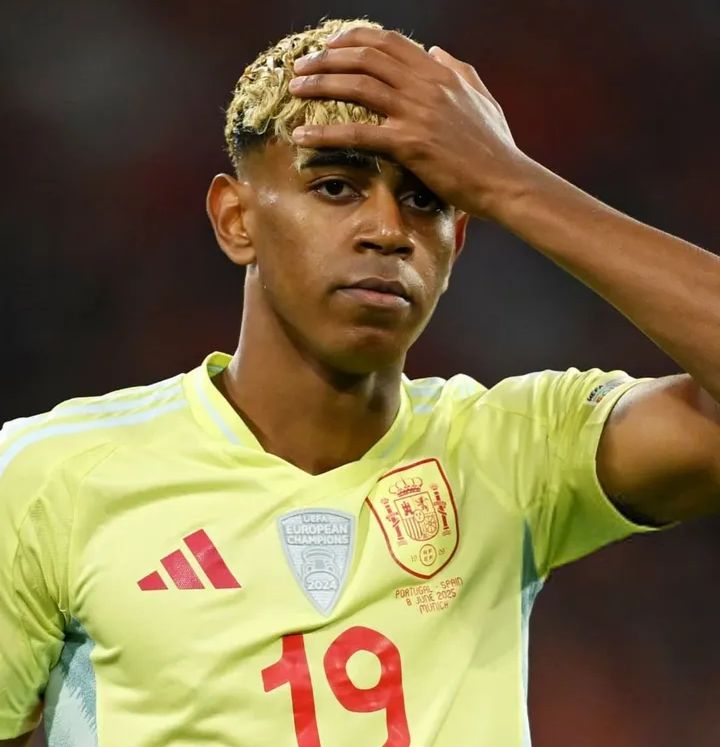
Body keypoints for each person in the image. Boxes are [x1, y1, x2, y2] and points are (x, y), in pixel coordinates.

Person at [1, 16, 718, 747]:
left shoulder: (516, 449)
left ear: (457, 239)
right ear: (236, 219)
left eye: (426, 198)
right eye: (337, 186)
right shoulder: (54, 476)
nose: (387, 230)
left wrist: (511, 182)